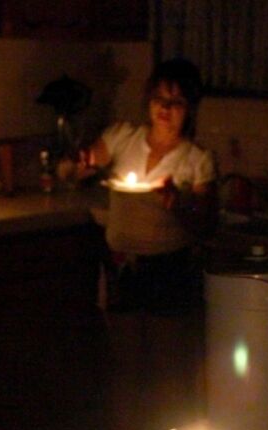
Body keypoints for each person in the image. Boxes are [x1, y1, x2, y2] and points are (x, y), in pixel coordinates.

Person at [78, 58, 218, 313]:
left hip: (169, 272)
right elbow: (78, 168)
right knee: (121, 334)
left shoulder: (197, 160)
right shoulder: (123, 138)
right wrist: (79, 164)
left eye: (176, 102)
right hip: (119, 267)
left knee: (163, 335)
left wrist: (177, 203)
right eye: (159, 98)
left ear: (190, 108)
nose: (165, 107)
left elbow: (206, 224)